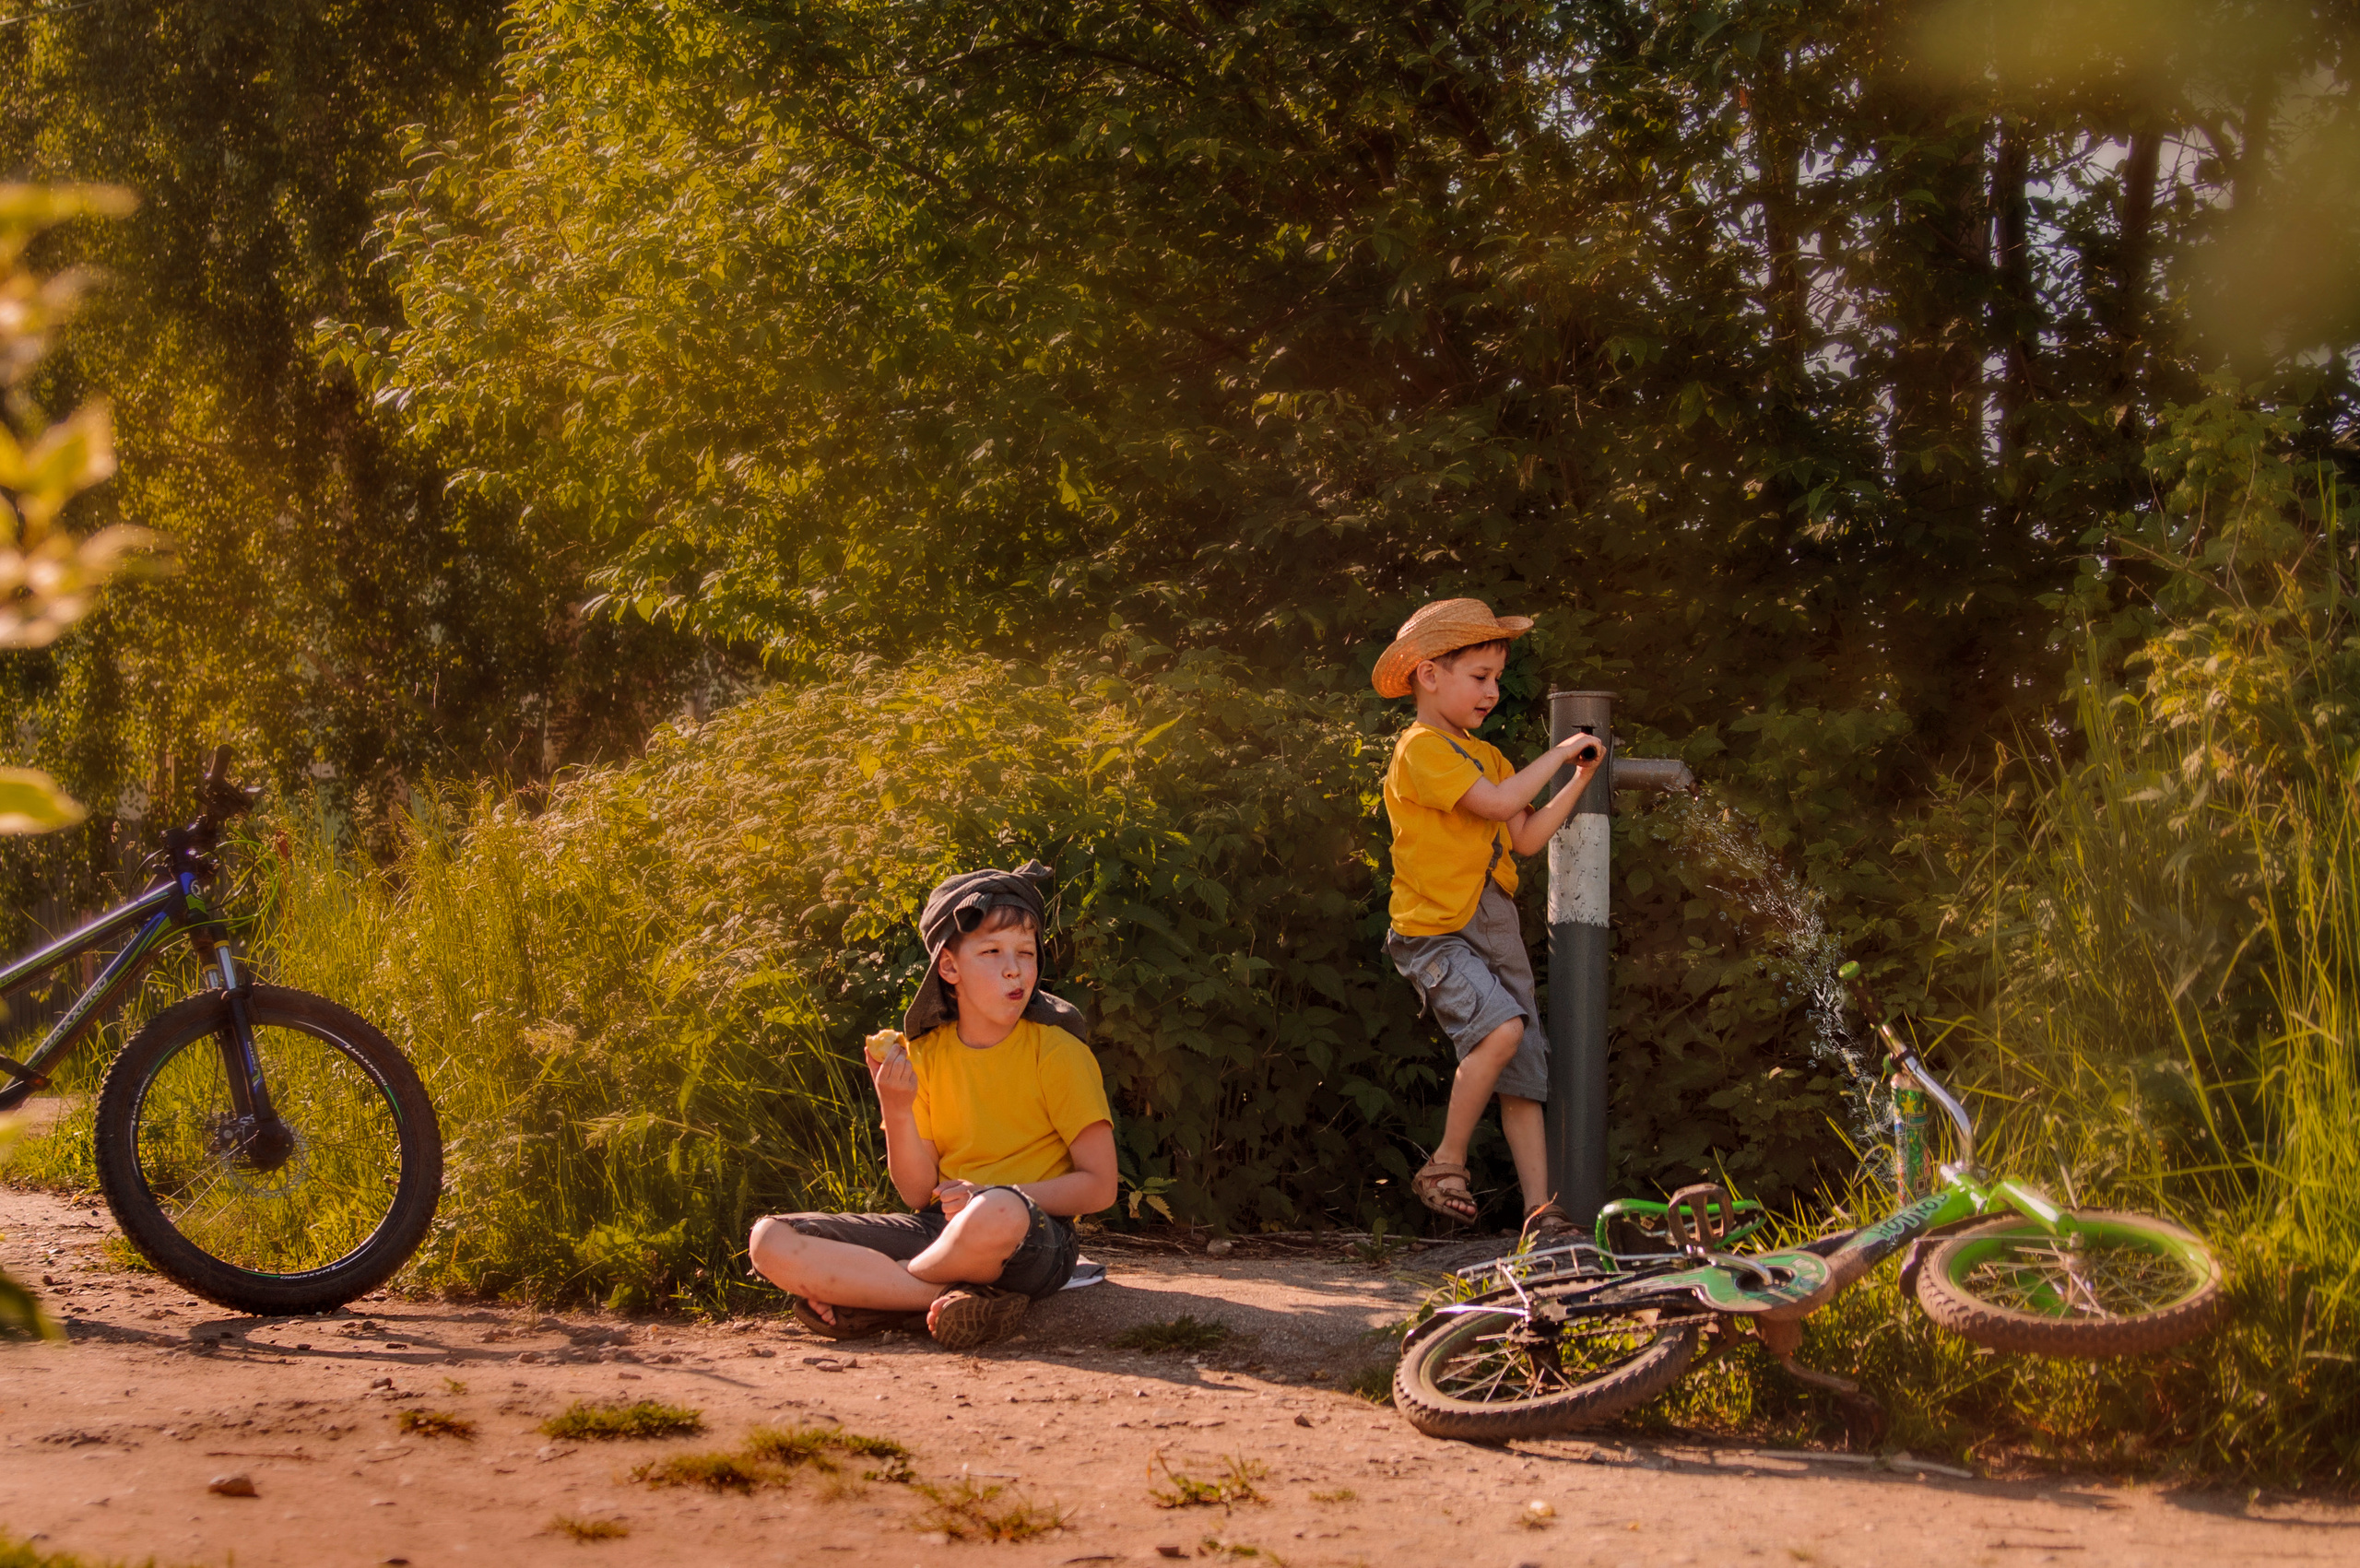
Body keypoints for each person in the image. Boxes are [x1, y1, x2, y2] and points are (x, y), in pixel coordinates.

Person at [748, 864, 1117, 1350]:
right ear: (949, 967)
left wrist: (988, 1192)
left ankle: (883, 1294)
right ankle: (953, 1297)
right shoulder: (924, 1055)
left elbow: (1100, 1187)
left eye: (1026, 953)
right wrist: (895, 1107)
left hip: (1032, 1237)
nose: (1015, 969)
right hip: (938, 1228)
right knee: (770, 1241)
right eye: (991, 951)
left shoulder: (1057, 1052)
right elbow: (917, 1191)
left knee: (998, 1210)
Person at [1374, 598, 1604, 1241]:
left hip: (1493, 923)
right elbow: (1501, 802)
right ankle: (1445, 1163)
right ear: (1428, 675)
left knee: (1523, 1069)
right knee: (1500, 1029)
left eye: (1496, 678)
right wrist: (1560, 755)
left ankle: (1541, 1214)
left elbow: (1524, 835)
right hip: (1437, 930)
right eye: (1479, 676)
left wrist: (1579, 781)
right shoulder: (1422, 749)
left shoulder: (1492, 756)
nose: (1492, 692)